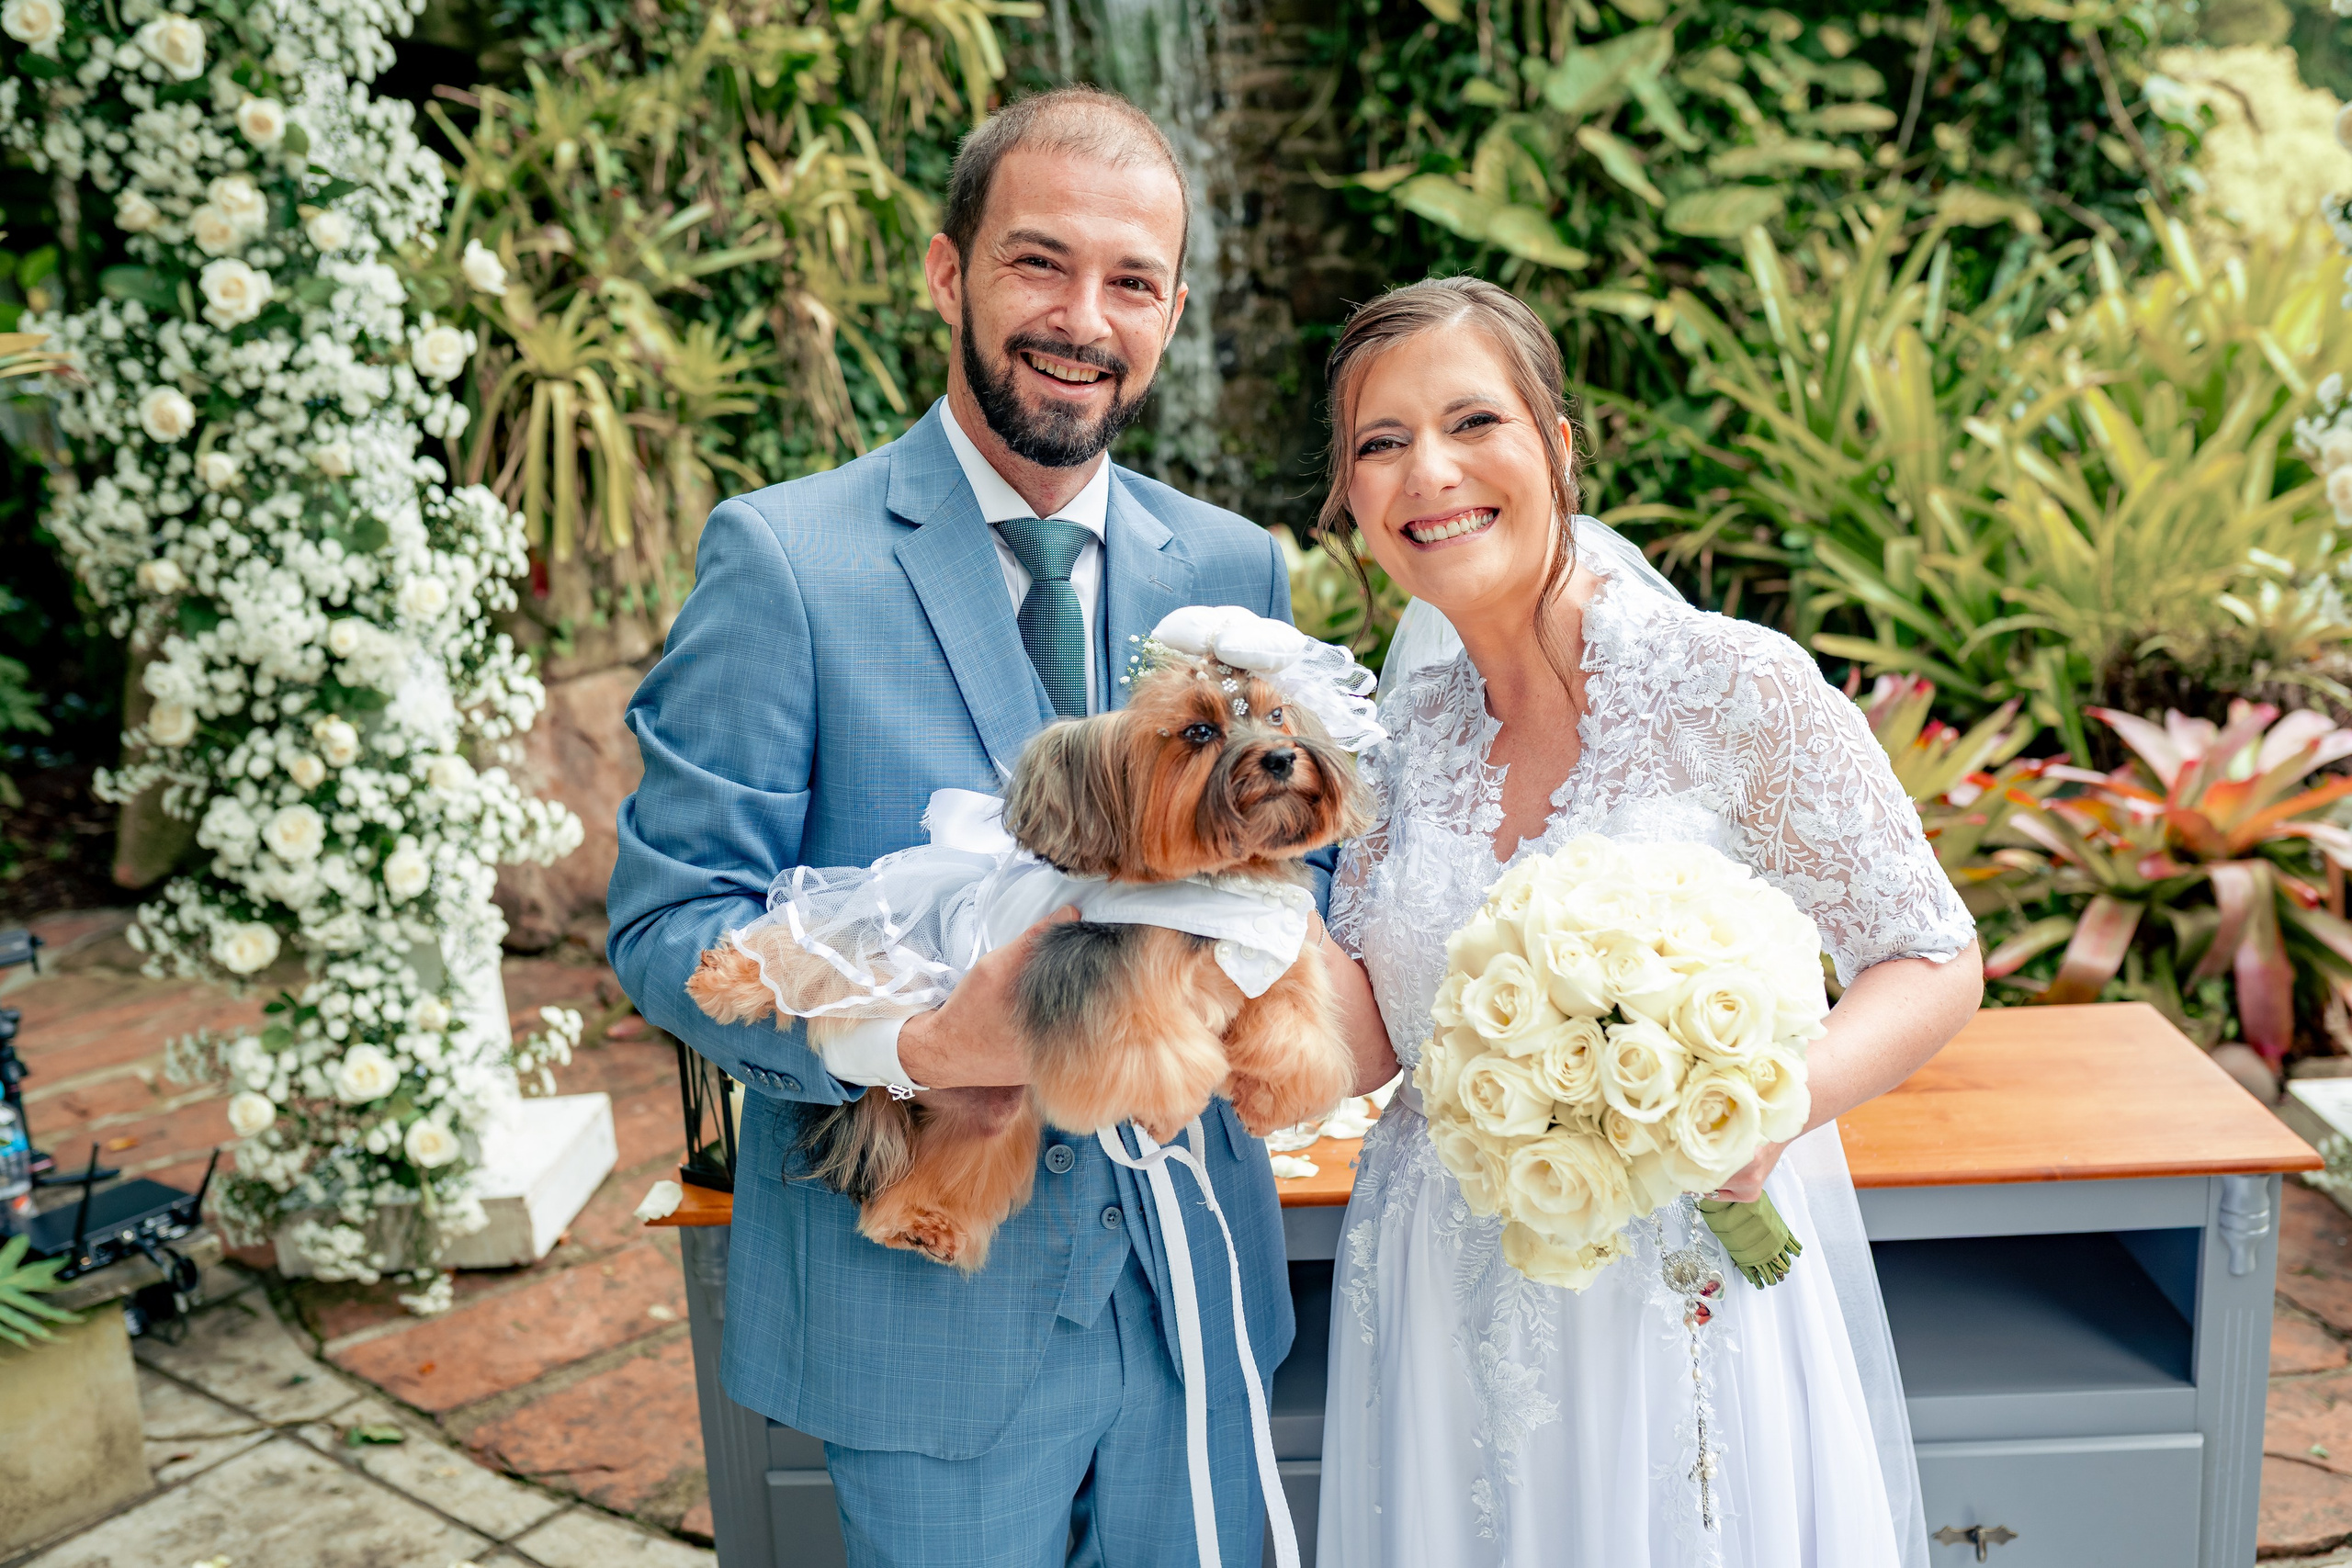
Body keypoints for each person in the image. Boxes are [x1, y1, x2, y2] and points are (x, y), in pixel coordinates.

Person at [607, 86, 1313, 1568]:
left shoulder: (1235, 566)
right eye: (1038, 262)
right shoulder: (784, 560)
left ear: (1173, 312)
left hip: (1196, 1298)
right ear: (949, 271)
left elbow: (1286, 880)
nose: (1083, 319)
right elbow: (671, 931)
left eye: (1130, 282)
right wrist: (921, 1048)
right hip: (925, 1316)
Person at [1303, 277, 1986, 1567]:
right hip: (1441, 1293)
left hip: (1674, 1298)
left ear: (1557, 446)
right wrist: (1219, 885)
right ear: (1353, 501)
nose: (1429, 472)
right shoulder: (1393, 748)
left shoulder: (1731, 687)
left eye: (1473, 422)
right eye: (1381, 444)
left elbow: (1933, 955)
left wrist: (1773, 1104)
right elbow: (1372, 1049)